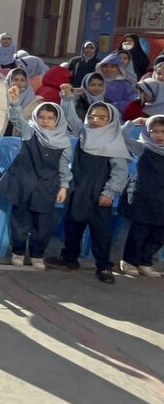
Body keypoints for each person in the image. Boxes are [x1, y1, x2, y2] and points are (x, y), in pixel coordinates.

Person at [54, 91, 130, 284]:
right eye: (92, 116)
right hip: (78, 190)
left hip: (99, 194)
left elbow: (119, 172)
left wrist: (110, 192)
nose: (96, 120)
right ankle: (69, 258)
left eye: (102, 118)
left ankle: (104, 266)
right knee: (72, 226)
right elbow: (71, 118)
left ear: (111, 121)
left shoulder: (115, 143)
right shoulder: (84, 133)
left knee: (100, 232)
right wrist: (67, 98)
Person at [0, 96, 71, 269]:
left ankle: (37, 254)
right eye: (41, 117)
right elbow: (17, 119)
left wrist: (64, 186)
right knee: (21, 220)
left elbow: (64, 166)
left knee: (43, 223)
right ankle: (18, 252)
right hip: (25, 185)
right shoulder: (31, 132)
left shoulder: (64, 141)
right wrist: (15, 103)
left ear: (57, 120)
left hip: (48, 187)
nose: (45, 121)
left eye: (50, 118)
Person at [120, 114, 164, 276]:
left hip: (161, 199)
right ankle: (129, 260)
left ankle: (145, 261)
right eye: (155, 131)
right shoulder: (143, 147)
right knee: (140, 230)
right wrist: (133, 123)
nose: (159, 135)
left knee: (159, 233)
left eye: (163, 132)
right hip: (143, 196)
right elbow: (122, 136)